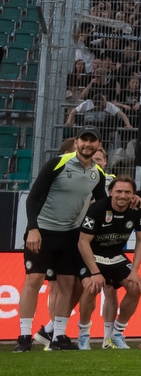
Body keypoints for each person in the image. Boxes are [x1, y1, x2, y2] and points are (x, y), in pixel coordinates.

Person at [15, 127, 109, 352]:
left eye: (92, 141)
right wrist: (33, 229)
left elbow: (103, 203)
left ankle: (58, 336)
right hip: (43, 231)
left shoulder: (97, 173)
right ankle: (24, 337)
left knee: (68, 284)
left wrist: (132, 199)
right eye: (84, 140)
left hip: (71, 235)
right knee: (33, 280)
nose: (88, 144)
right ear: (76, 142)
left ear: (98, 146)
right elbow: (34, 197)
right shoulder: (58, 163)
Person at [76, 175, 141, 350]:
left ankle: (116, 333)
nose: (123, 196)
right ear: (110, 192)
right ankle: (83, 335)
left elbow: (140, 241)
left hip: (115, 255)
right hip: (92, 254)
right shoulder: (99, 208)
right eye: (119, 191)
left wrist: (135, 270)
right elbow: (83, 242)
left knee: (135, 286)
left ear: (133, 194)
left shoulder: (138, 207)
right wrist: (95, 272)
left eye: (127, 192)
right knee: (92, 287)